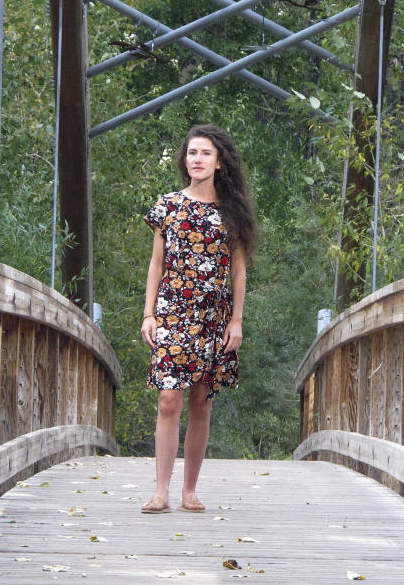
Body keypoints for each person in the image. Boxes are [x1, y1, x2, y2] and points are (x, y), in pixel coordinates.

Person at [139, 123, 257, 514]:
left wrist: (236, 321)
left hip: (213, 318)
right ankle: (161, 491)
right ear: (185, 160)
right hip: (172, 314)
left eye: (206, 153)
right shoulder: (167, 206)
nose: (198, 160)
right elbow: (156, 264)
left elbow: (239, 272)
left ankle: (190, 490)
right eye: (192, 153)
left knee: (201, 402)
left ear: (220, 162)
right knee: (169, 399)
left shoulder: (231, 214)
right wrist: (148, 314)